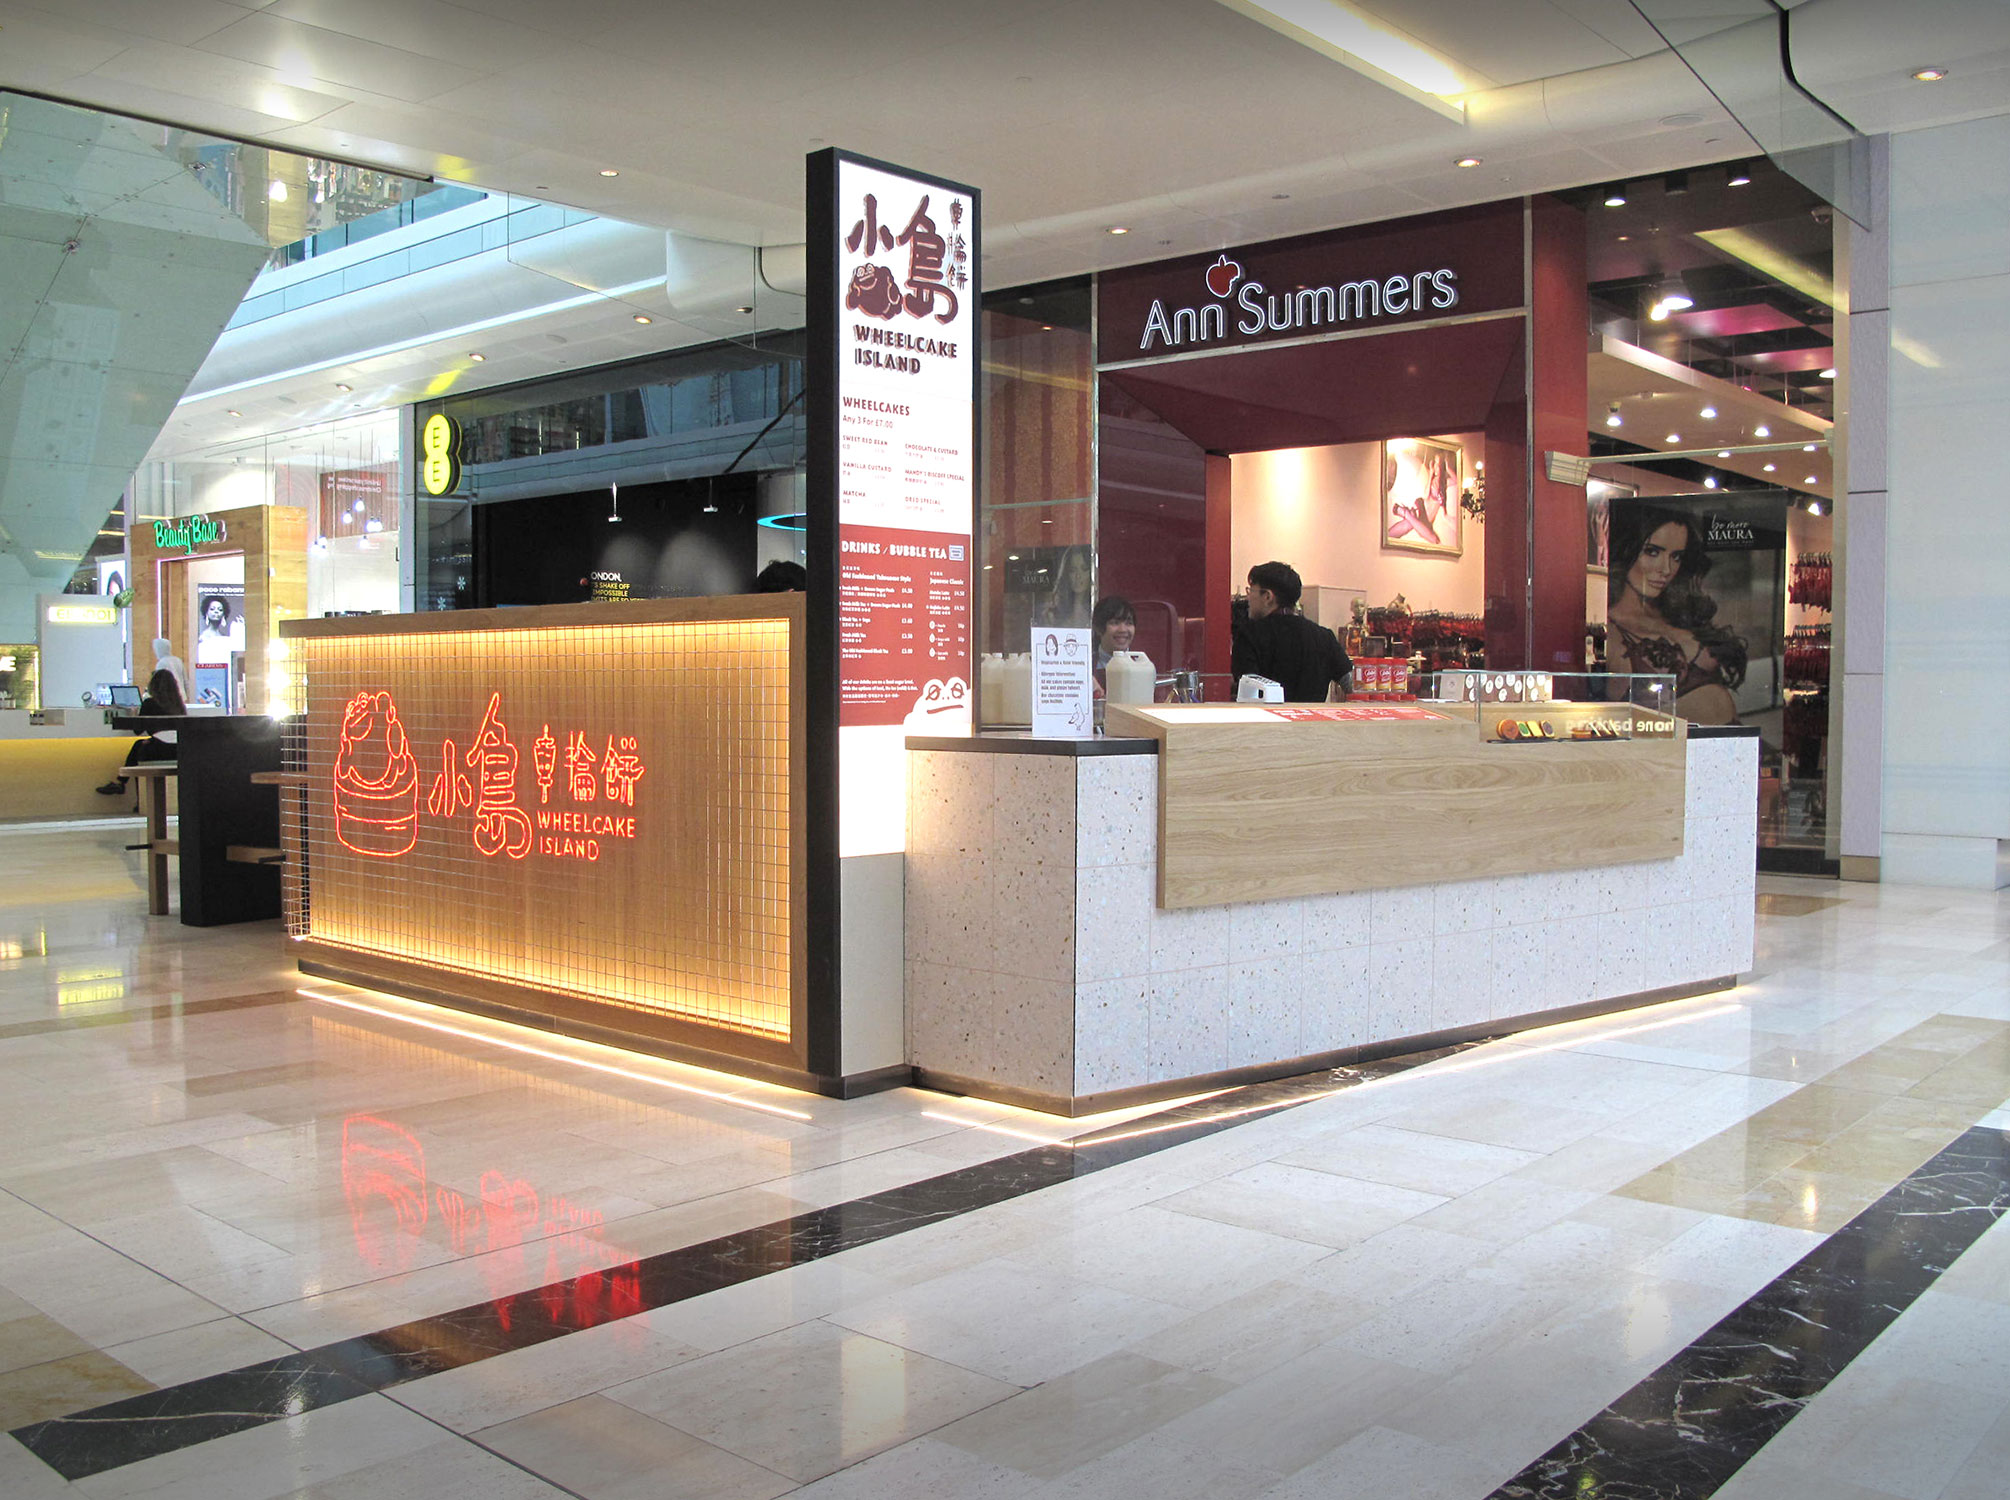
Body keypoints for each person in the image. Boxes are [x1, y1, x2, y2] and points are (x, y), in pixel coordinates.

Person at [1605, 507, 1746, 724]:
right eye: (1652, 552)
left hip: (1732, 740)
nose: (1666, 569)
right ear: (1627, 550)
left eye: (1676, 556)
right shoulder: (1612, 631)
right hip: (1677, 751)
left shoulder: (1680, 613)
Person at [1231, 561, 1352, 702]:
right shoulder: (1324, 636)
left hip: (1267, 721)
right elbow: (1352, 684)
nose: (1248, 598)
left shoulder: (1249, 635)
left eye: (1251, 590)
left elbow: (1247, 692)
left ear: (1268, 597)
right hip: (1314, 722)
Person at [96, 668, 184, 798]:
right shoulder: (179, 705)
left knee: (139, 747)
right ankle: (121, 783)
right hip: (178, 749)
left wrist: (134, 714)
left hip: (158, 749)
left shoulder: (149, 703)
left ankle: (125, 787)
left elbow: (137, 730)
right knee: (139, 745)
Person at [1037, 544, 1093, 627]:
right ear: (1066, 573)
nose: (1078, 576)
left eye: (1084, 569)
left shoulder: (1095, 610)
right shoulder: (1054, 611)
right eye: (1072, 570)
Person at [1092, 596, 1137, 671]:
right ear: (1098, 628)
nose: (1123, 630)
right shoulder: (1084, 666)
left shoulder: (1142, 666)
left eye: (1129, 623)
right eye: (1115, 623)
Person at [150, 636, 189, 703]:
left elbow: (158, 685)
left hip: (168, 699)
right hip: (182, 697)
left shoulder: (161, 663)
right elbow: (186, 682)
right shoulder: (178, 660)